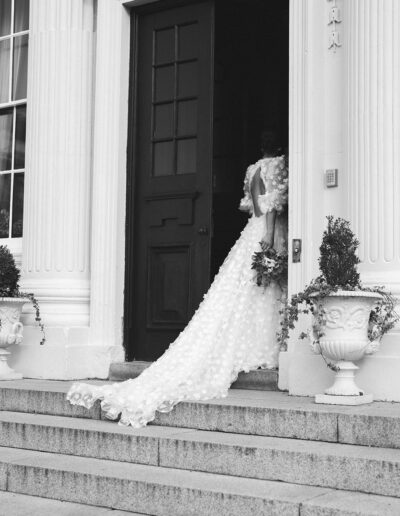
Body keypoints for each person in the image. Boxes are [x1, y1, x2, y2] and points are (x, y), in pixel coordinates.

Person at [67, 131, 289, 428]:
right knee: (261, 289)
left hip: (249, 232)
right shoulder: (278, 166)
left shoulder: (252, 169)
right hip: (263, 233)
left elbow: (254, 206)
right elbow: (271, 207)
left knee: (240, 292)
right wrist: (271, 239)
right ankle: (263, 349)